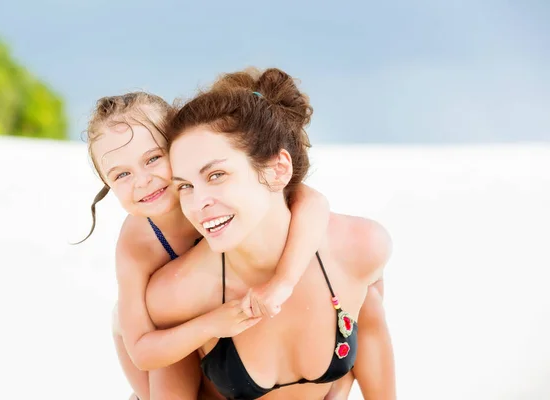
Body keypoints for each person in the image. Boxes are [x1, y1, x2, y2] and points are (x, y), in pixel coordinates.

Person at [145, 67, 395, 400]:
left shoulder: (360, 248)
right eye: (186, 186)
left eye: (217, 175)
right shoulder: (179, 296)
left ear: (278, 170)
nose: (198, 203)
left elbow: (369, 332)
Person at [81, 91, 333, 399]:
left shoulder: (221, 193)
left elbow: (312, 201)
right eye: (121, 174)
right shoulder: (138, 243)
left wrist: (284, 281)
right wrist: (211, 324)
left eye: (154, 158)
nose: (143, 180)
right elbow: (143, 350)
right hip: (166, 336)